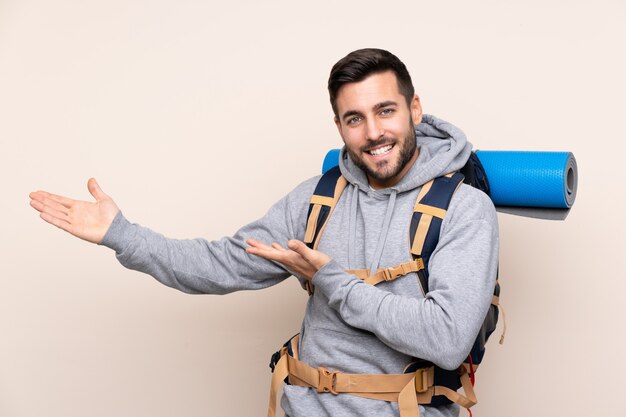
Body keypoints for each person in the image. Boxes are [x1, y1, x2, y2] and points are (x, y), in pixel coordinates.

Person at [29, 48, 498, 417]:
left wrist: (331, 281)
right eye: (355, 119)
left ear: (415, 109)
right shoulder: (318, 198)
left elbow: (447, 339)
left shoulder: (465, 208)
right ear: (339, 126)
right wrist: (121, 234)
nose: (373, 132)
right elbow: (220, 265)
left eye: (386, 111)